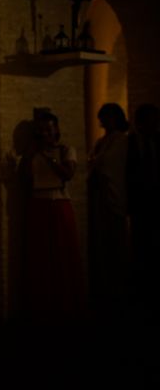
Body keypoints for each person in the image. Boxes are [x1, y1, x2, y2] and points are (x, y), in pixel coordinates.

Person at [19, 110, 85, 323]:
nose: (45, 133)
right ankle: (42, 306)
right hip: (38, 203)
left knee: (63, 253)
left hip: (59, 203)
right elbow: (24, 178)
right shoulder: (32, 154)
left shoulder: (66, 150)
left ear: (56, 129)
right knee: (41, 255)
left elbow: (68, 174)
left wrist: (50, 157)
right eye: (41, 130)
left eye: (49, 129)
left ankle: (66, 305)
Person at [87, 103, 129, 318]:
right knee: (103, 241)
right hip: (101, 195)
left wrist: (96, 162)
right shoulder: (102, 141)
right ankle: (105, 286)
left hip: (113, 195)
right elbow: (93, 162)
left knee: (116, 241)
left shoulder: (121, 141)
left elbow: (104, 163)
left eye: (108, 117)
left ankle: (118, 288)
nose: (104, 122)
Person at [126, 103, 160, 318]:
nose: (152, 124)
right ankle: (143, 291)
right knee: (141, 244)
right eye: (148, 120)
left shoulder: (158, 141)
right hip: (139, 202)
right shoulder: (129, 144)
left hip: (157, 200)